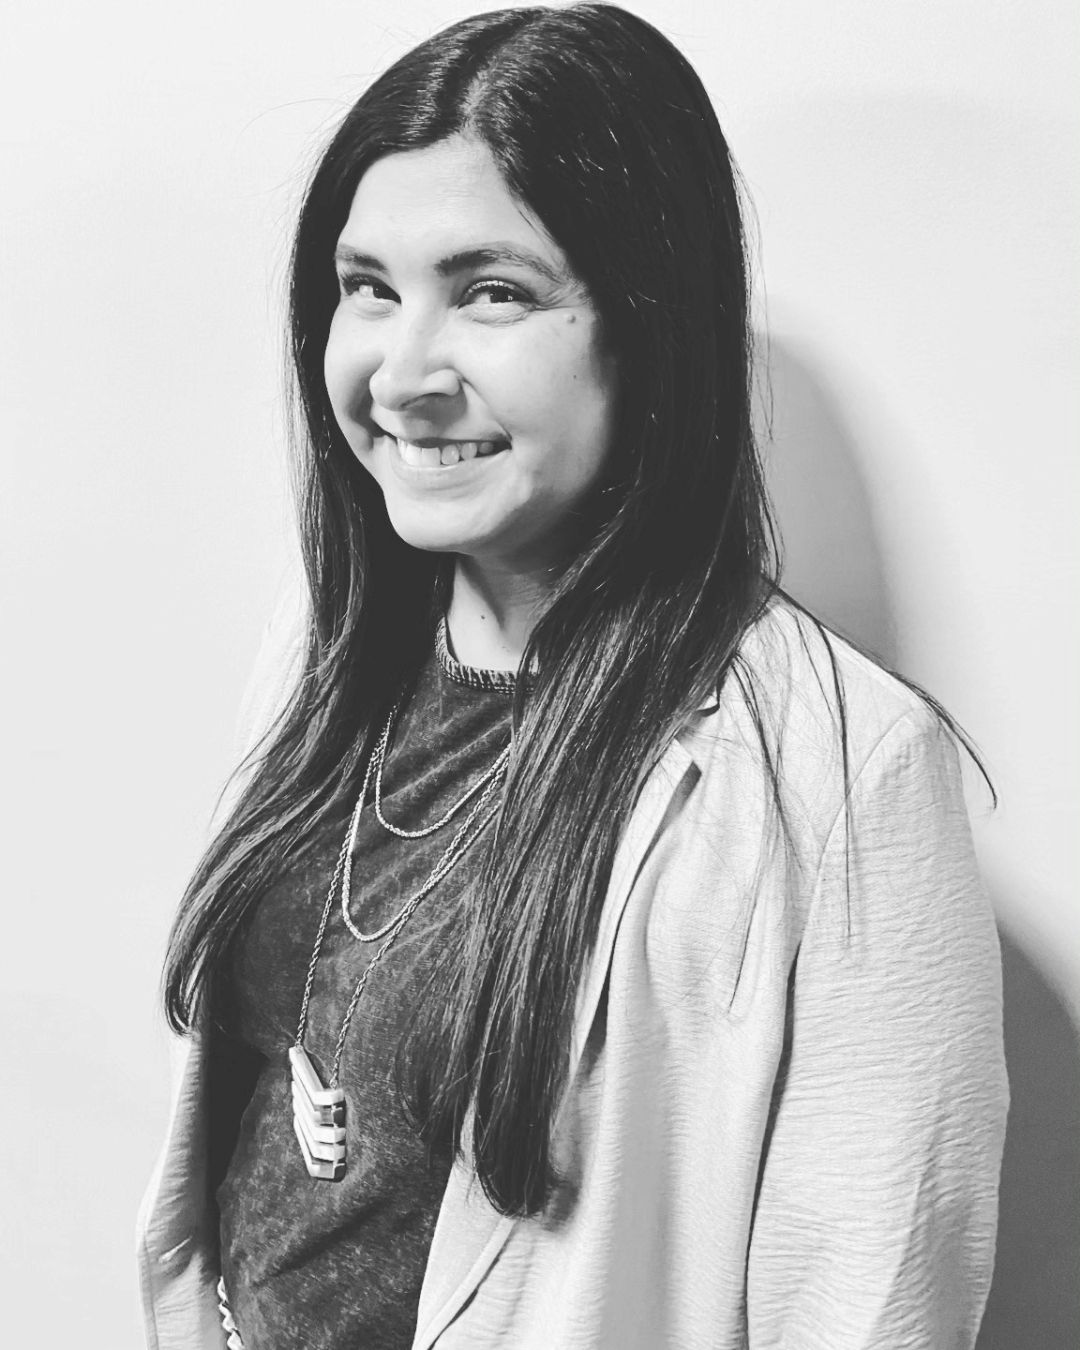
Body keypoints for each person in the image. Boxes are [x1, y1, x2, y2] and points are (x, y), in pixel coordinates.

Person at [137, 5, 1009, 1347]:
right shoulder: (326, 635)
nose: (402, 371)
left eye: (491, 291)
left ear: (648, 328)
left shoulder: (848, 775)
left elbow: (872, 1304)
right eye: (368, 285)